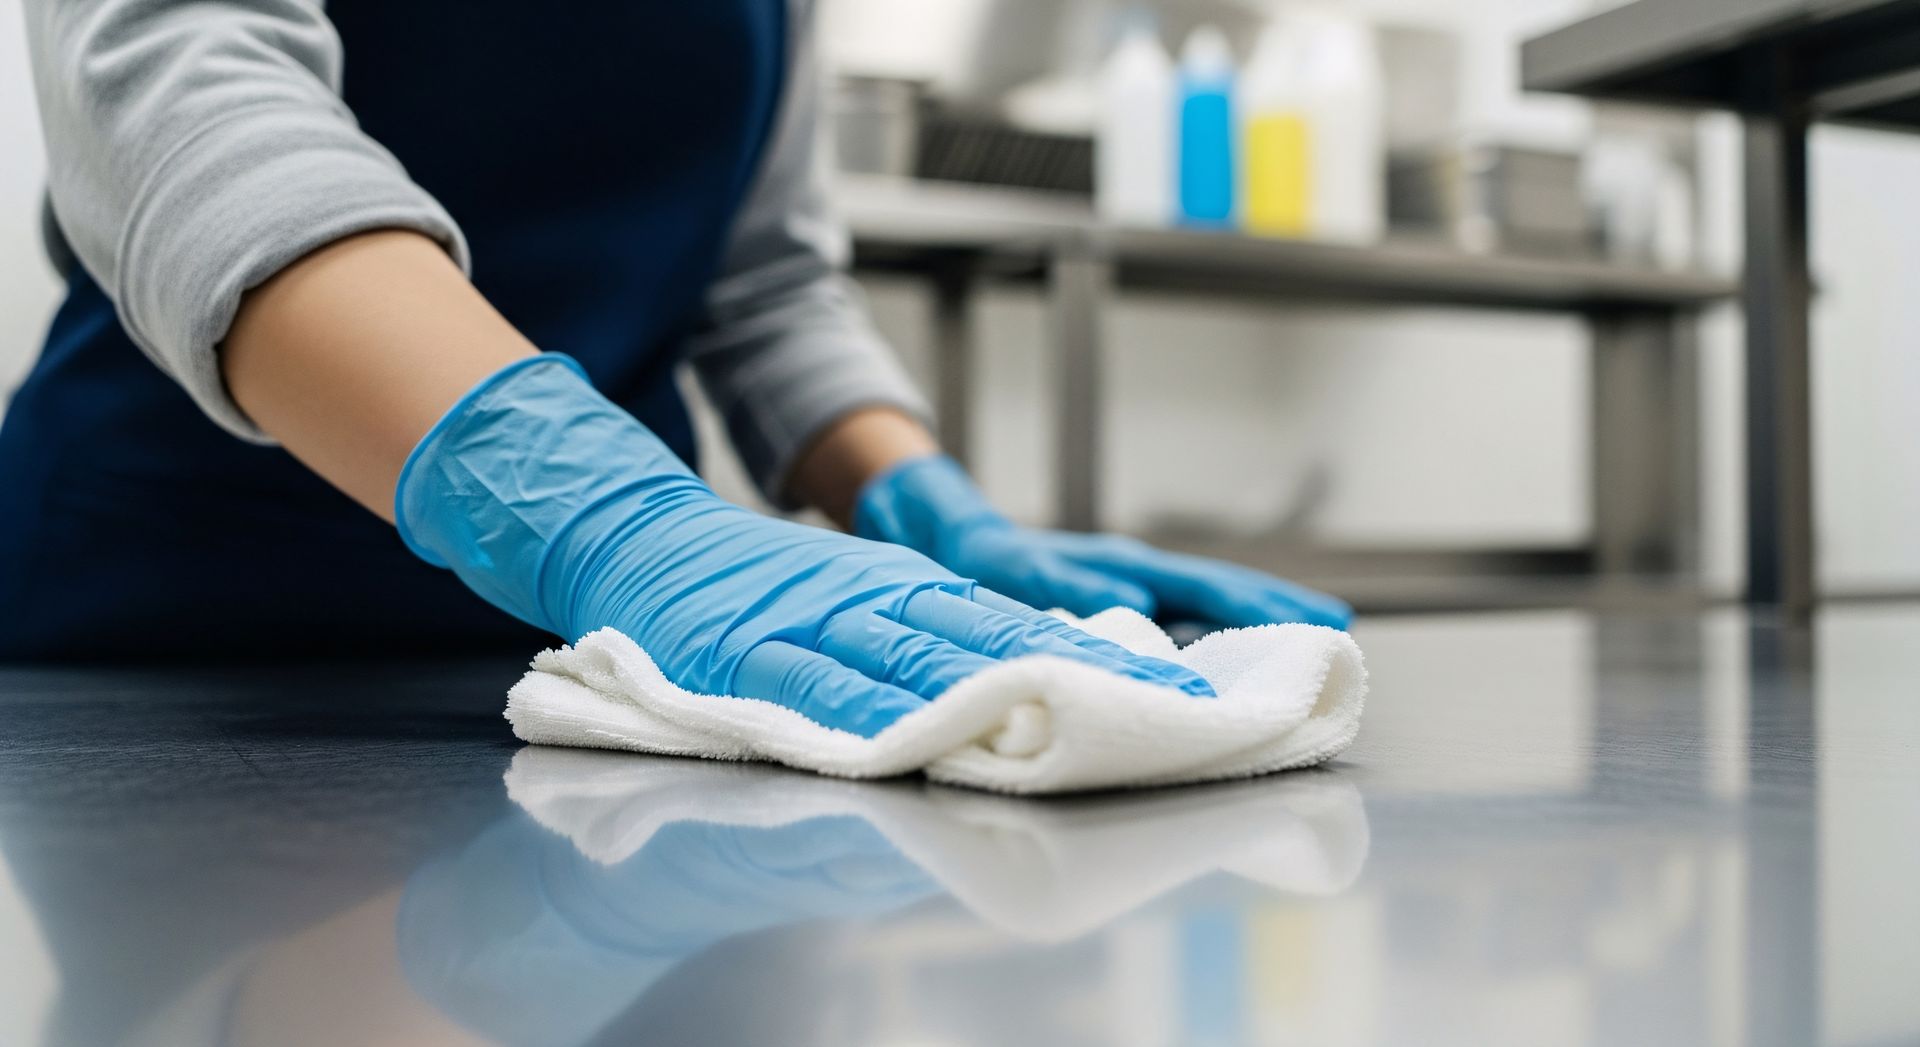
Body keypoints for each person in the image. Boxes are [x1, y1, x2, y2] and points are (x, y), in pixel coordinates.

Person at [0, 0, 1349, 735]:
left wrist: (925, 502)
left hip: (580, 669)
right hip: (174, 651)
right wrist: (602, 515)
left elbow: (762, 279)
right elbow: (183, 103)